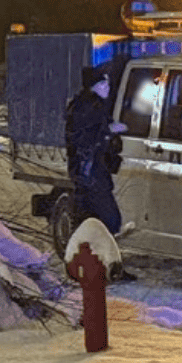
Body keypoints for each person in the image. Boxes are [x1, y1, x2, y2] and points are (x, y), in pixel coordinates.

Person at [64, 66, 128, 237]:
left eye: (107, 84)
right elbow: (81, 137)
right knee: (109, 218)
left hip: (90, 172)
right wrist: (109, 130)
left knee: (89, 219)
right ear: (93, 87)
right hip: (90, 173)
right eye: (103, 84)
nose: (107, 87)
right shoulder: (87, 107)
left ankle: (90, 245)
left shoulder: (92, 105)